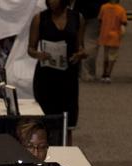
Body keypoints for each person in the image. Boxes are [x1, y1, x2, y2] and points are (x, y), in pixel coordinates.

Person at [28, 0, 87, 142]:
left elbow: (81, 47)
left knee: (68, 121)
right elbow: (30, 48)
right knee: (46, 120)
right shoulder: (39, 18)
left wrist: (80, 54)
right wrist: (38, 54)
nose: (51, 2)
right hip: (46, 76)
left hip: (68, 76)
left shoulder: (77, 18)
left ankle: (66, 154)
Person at [97, 0, 128, 82]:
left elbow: (100, 19)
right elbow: (124, 22)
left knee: (106, 55)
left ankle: (103, 73)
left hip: (105, 33)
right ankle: (108, 74)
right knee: (113, 56)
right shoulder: (121, 9)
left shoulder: (104, 7)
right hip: (115, 35)